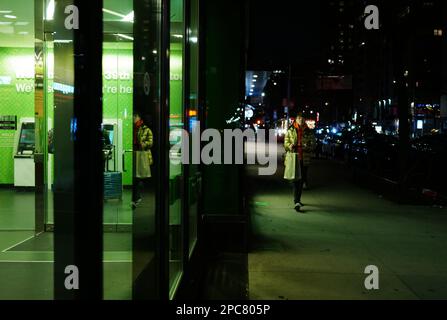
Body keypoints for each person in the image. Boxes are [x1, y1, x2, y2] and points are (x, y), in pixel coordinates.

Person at [284, 111, 316, 212]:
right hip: (294, 158)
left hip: (304, 158)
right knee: (295, 180)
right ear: (296, 119)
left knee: (302, 179)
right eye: (299, 119)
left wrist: (308, 146)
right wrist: (290, 146)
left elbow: (313, 144)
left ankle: (298, 199)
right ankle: (296, 201)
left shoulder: (308, 131)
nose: (301, 120)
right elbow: (286, 143)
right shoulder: (291, 129)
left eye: (302, 119)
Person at [132, 112, 154, 209]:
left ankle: (137, 196)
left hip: (142, 155)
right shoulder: (132, 128)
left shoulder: (146, 129)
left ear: (139, 118)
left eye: (135, 117)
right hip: (134, 154)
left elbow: (150, 142)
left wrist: (142, 144)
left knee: (139, 177)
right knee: (136, 177)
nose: (133, 118)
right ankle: (136, 197)